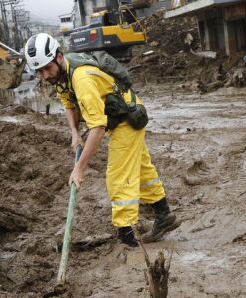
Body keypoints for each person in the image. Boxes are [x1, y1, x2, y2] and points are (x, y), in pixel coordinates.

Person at [24, 33, 179, 247]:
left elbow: (97, 128)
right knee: (142, 170)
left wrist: (80, 167)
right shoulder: (61, 76)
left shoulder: (81, 78)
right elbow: (69, 104)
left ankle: (127, 236)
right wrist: (74, 133)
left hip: (126, 118)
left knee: (118, 176)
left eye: (46, 68)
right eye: (39, 71)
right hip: (117, 115)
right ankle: (164, 215)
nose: (44, 75)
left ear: (59, 57)